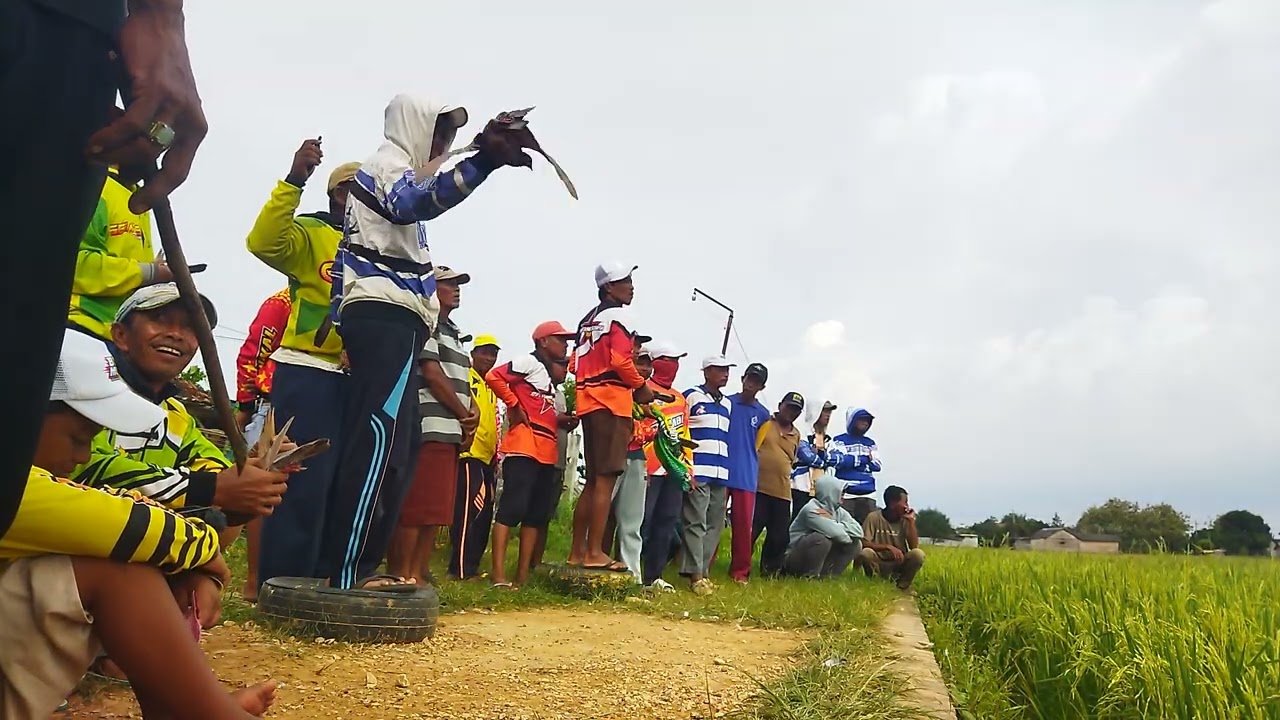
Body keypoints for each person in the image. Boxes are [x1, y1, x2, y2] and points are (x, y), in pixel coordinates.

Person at [1, 0, 207, 546]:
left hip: (63, 24)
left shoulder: (120, 197)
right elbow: (78, 266)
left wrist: (163, 16)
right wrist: (145, 272)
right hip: (77, 342)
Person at [0, 329, 276, 719]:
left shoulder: (180, 417)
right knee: (116, 570)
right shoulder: (11, 487)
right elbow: (128, 522)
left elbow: (119, 508)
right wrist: (206, 561)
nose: (83, 456)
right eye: (79, 438)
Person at [324, 95, 526, 590]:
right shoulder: (387, 164)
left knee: (398, 448)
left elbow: (350, 252)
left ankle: (363, 567)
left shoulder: (396, 174)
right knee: (377, 441)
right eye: (437, 132)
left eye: (449, 137)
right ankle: (349, 573)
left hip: (398, 320)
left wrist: (478, 151)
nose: (442, 144)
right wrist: (483, 161)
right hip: (385, 315)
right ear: (411, 126)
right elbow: (418, 201)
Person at [71, 284, 289, 528]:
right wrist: (210, 487)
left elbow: (217, 476)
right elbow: (81, 466)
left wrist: (252, 468)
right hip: (72, 527)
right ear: (121, 335)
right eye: (160, 320)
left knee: (217, 523)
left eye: (190, 326)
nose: (176, 334)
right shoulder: (87, 388)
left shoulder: (177, 416)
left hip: (129, 535)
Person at [247, 143, 358, 585]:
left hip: (357, 377)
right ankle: (283, 582)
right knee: (298, 475)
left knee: (339, 480)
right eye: (354, 190)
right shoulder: (312, 232)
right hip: (308, 367)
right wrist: (294, 180)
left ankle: (325, 578)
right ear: (337, 195)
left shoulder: (382, 247)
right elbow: (263, 242)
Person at [391, 267, 476, 586]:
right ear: (431, 288)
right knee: (417, 505)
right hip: (428, 422)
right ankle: (403, 573)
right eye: (449, 283)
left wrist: (471, 410)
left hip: (449, 428)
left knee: (436, 510)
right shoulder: (426, 321)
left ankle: (418, 573)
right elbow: (432, 374)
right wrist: (461, 411)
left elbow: (459, 380)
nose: (456, 289)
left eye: (458, 284)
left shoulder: (452, 329)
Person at [568, 262, 652, 570]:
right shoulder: (619, 316)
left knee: (593, 481)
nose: (631, 286)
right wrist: (641, 387)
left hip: (588, 401)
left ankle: (577, 551)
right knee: (604, 481)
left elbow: (575, 363)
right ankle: (594, 553)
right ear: (608, 288)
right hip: (611, 402)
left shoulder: (586, 320)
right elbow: (619, 360)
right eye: (624, 281)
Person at [485, 321, 576, 588]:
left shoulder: (549, 378)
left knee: (535, 515)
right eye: (561, 340)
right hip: (524, 447)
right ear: (543, 341)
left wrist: (562, 420)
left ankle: (522, 577)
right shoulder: (528, 361)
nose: (566, 345)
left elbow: (539, 408)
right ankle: (499, 575)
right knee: (510, 510)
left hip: (547, 450)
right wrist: (513, 404)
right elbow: (494, 376)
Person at [231, 288, 291, 601]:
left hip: (323, 399)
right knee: (261, 483)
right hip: (272, 401)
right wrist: (245, 404)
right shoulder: (281, 302)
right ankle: (254, 580)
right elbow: (252, 353)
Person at [68, 168, 174, 342]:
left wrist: (155, 275)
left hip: (119, 336)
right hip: (82, 325)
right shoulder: (96, 188)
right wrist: (149, 273)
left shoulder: (138, 198)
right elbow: (76, 266)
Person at [638, 341, 692, 591]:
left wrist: (688, 468)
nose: (674, 367)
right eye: (669, 361)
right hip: (647, 466)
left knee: (666, 521)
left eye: (678, 361)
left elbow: (685, 435)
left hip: (673, 469)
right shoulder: (642, 390)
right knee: (641, 521)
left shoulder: (680, 399)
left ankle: (654, 575)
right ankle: (631, 571)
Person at [680, 356, 735, 595]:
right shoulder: (691, 396)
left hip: (720, 471)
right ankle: (695, 575)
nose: (725, 374)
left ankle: (703, 572)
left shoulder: (727, 404)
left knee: (714, 524)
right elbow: (681, 430)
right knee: (696, 521)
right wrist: (686, 467)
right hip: (698, 468)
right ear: (707, 372)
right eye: (720, 370)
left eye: (727, 370)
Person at [449, 334, 501, 580]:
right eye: (485, 353)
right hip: (470, 453)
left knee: (484, 514)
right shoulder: (466, 377)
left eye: (493, 354)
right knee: (467, 512)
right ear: (474, 353)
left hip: (488, 456)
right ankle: (458, 569)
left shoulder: (491, 386)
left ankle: (472, 566)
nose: (489, 358)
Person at [611, 345, 657, 583]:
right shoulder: (615, 387)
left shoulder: (648, 397)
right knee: (601, 515)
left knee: (632, 520)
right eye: (640, 362)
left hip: (637, 455)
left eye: (649, 364)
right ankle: (590, 563)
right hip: (611, 453)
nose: (645, 369)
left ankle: (632, 575)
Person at [724, 363, 771, 584]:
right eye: (749, 378)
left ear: (762, 386)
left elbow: (757, 444)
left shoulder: (763, 414)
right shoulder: (726, 403)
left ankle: (740, 572)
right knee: (712, 521)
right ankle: (702, 566)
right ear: (742, 378)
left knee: (743, 526)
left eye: (757, 381)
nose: (751, 383)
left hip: (746, 474)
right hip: (722, 469)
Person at [752, 392, 804, 577]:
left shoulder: (796, 434)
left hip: (782, 492)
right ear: (780, 405)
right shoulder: (766, 423)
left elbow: (793, 459)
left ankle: (770, 571)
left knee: (779, 536)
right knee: (751, 531)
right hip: (758, 487)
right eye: (789, 407)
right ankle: (740, 568)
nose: (792, 412)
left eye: (796, 410)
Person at [783, 474, 863, 578]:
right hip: (792, 558)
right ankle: (809, 576)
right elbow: (837, 534)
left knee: (856, 544)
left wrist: (834, 522)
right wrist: (843, 529)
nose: (843, 495)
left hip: (817, 555)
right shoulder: (811, 509)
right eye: (841, 492)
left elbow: (859, 531)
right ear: (831, 492)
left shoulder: (838, 511)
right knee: (821, 539)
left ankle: (828, 576)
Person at [856, 485, 926, 592]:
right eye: (905, 502)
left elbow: (914, 546)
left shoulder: (905, 520)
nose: (907, 506)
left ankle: (902, 586)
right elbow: (864, 543)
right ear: (893, 503)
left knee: (918, 554)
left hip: (898, 564)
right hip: (879, 563)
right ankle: (876, 583)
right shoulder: (873, 517)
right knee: (866, 553)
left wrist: (911, 522)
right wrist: (887, 547)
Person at [827, 407, 881, 523]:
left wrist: (851, 461)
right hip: (846, 496)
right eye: (861, 419)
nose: (865, 423)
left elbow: (877, 465)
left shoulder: (870, 443)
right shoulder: (838, 441)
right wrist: (865, 459)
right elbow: (837, 461)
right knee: (844, 529)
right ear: (852, 420)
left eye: (867, 420)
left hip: (869, 495)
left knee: (867, 533)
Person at [790, 401, 836, 520]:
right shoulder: (801, 432)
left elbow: (837, 459)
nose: (828, 414)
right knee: (798, 520)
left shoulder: (828, 438)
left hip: (821, 491)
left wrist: (820, 455)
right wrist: (823, 460)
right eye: (824, 410)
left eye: (829, 411)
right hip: (801, 486)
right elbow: (806, 455)